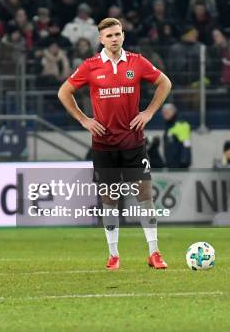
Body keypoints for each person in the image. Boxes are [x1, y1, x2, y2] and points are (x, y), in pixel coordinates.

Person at [58, 17, 172, 270]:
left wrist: (149, 112)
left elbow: (165, 82)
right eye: (109, 36)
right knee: (109, 198)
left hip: (133, 142)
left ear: (123, 35)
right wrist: (83, 119)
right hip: (104, 144)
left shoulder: (136, 62)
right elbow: (64, 91)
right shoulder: (89, 66)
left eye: (118, 34)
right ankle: (113, 254)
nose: (114, 39)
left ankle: (154, 252)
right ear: (101, 39)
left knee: (145, 195)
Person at [161, 103, 192, 169]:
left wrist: (184, 161)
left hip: (180, 164)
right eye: (164, 113)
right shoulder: (168, 125)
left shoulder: (181, 124)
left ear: (173, 111)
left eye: (167, 112)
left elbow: (186, 144)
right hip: (171, 163)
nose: (165, 115)